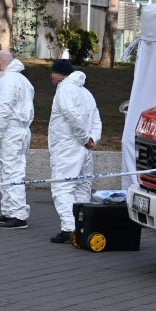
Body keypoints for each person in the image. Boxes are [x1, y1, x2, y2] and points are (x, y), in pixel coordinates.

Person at [48, 59, 102, 244]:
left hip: (67, 147)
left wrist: (84, 138)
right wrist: (92, 139)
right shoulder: (86, 92)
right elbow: (96, 118)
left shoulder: (64, 89)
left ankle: (69, 228)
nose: (51, 77)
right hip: (84, 150)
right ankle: (82, 226)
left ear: (60, 74)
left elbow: (72, 115)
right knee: (82, 187)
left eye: (53, 73)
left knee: (61, 187)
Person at [0, 50, 34, 229]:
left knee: (11, 171)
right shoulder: (23, 80)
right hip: (19, 130)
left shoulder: (8, 80)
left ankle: (18, 215)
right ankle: (9, 210)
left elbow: (4, 109)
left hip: (11, 131)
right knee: (6, 170)